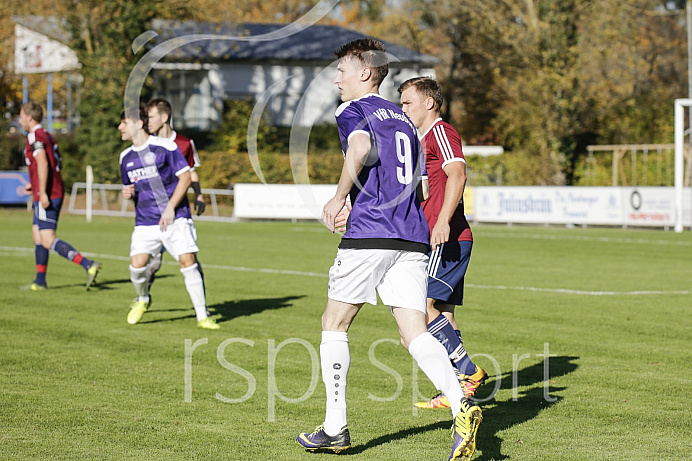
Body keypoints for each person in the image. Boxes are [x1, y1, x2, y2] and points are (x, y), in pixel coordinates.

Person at [296, 39, 481, 461]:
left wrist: (340, 197)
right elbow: (415, 183)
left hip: (371, 234)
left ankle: (335, 427)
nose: (336, 78)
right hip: (411, 237)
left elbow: (360, 150)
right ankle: (461, 405)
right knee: (414, 332)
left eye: (342, 70)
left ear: (366, 73)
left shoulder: (353, 110)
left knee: (333, 323)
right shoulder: (403, 118)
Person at [398, 77, 487, 410]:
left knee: (422, 309)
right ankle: (456, 390)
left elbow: (458, 174)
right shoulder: (419, 141)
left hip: (447, 238)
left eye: (407, 103)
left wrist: (441, 221)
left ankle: (468, 372)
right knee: (442, 316)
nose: (402, 109)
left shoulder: (441, 132)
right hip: (438, 237)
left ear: (429, 103)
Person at [118, 106, 218, 330]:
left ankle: (202, 316)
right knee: (136, 267)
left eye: (124, 122)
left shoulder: (165, 148)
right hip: (145, 221)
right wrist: (128, 193)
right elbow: (131, 189)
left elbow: (185, 177)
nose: (120, 127)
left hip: (176, 218)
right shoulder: (125, 157)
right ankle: (143, 299)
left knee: (188, 261)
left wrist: (171, 207)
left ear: (138, 124)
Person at [19, 101, 101, 291]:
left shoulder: (34, 136)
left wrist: (43, 191)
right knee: (36, 234)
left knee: (47, 239)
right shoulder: (48, 136)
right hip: (50, 189)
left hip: (47, 194)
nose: (20, 120)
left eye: (22, 117)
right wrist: (36, 183)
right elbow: (57, 163)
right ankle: (40, 281)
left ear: (29, 117)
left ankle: (88, 265)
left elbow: (43, 163)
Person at [141, 97, 207, 293]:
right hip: (152, 211)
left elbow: (190, 172)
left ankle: (202, 305)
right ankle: (142, 298)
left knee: (189, 259)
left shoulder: (185, 144)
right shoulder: (146, 143)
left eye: (151, 116)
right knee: (152, 262)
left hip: (178, 212)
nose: (147, 121)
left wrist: (199, 195)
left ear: (164, 117)